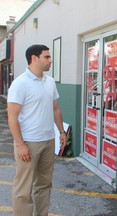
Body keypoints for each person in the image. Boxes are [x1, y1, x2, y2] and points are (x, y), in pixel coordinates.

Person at [7, 44, 67, 216]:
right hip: (28, 143)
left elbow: (55, 108)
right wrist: (21, 145)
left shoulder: (49, 82)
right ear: (34, 58)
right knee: (23, 189)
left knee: (44, 185)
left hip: (48, 141)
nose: (50, 60)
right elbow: (12, 117)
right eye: (46, 57)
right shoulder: (20, 84)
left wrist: (61, 132)